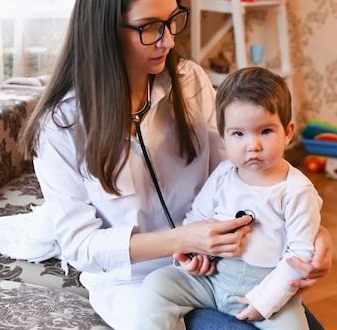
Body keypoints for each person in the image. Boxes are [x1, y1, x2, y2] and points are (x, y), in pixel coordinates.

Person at [17, 0, 332, 330]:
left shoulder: (189, 81)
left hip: (222, 263)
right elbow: (82, 247)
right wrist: (183, 240)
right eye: (149, 27)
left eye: (172, 21)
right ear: (105, 30)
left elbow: (240, 175)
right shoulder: (61, 127)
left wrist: (311, 232)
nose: (167, 40)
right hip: (136, 282)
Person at [134, 67, 323, 330]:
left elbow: (300, 255)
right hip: (212, 279)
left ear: (288, 132)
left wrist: (265, 301)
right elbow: (198, 218)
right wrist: (193, 256)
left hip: (263, 286)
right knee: (157, 284)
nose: (252, 145)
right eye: (239, 134)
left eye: (266, 131)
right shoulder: (224, 174)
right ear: (223, 137)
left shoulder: (297, 190)